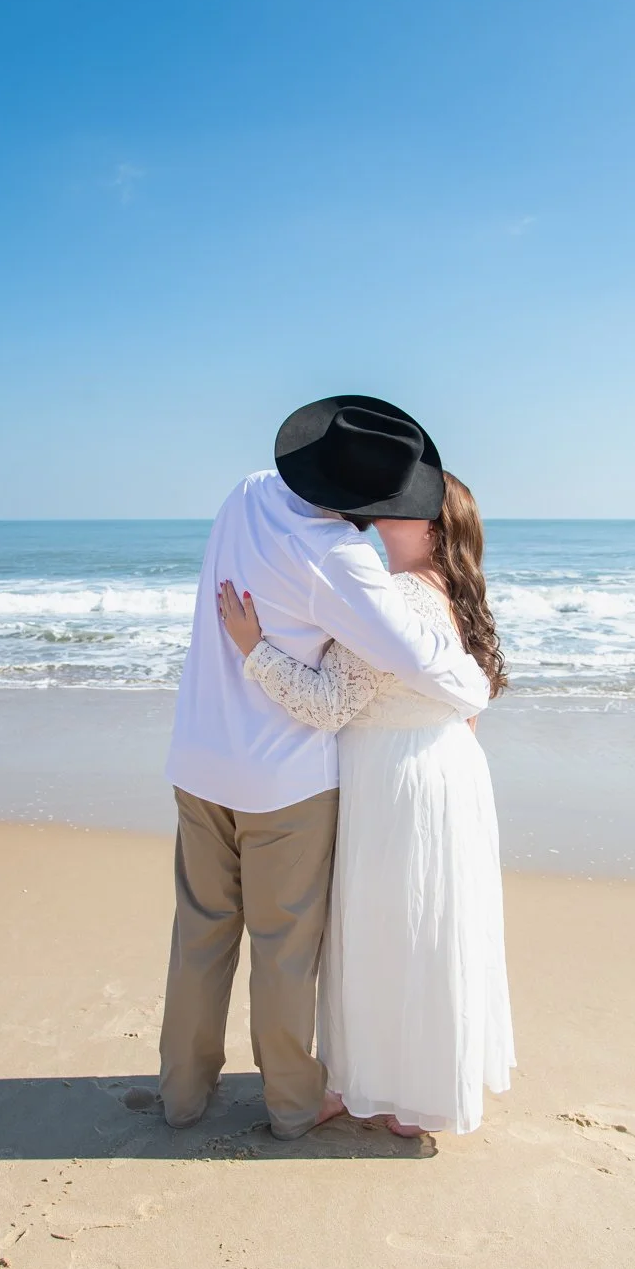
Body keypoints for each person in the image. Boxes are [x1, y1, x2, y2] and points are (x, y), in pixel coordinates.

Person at [157, 396, 491, 1141]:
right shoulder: (341, 562)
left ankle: (181, 1094)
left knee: (200, 936)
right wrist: (476, 687)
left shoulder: (244, 493)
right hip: (282, 781)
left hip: (199, 758)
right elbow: (423, 663)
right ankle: (289, 1110)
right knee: (283, 950)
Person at [218, 470, 515, 1136]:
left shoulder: (399, 598)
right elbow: (467, 705)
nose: (387, 507)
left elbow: (327, 704)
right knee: (426, 929)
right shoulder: (452, 593)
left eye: (406, 506)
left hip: (396, 778)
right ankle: (418, 1090)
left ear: (434, 528)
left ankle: (374, 1089)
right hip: (447, 770)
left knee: (385, 932)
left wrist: (253, 648)